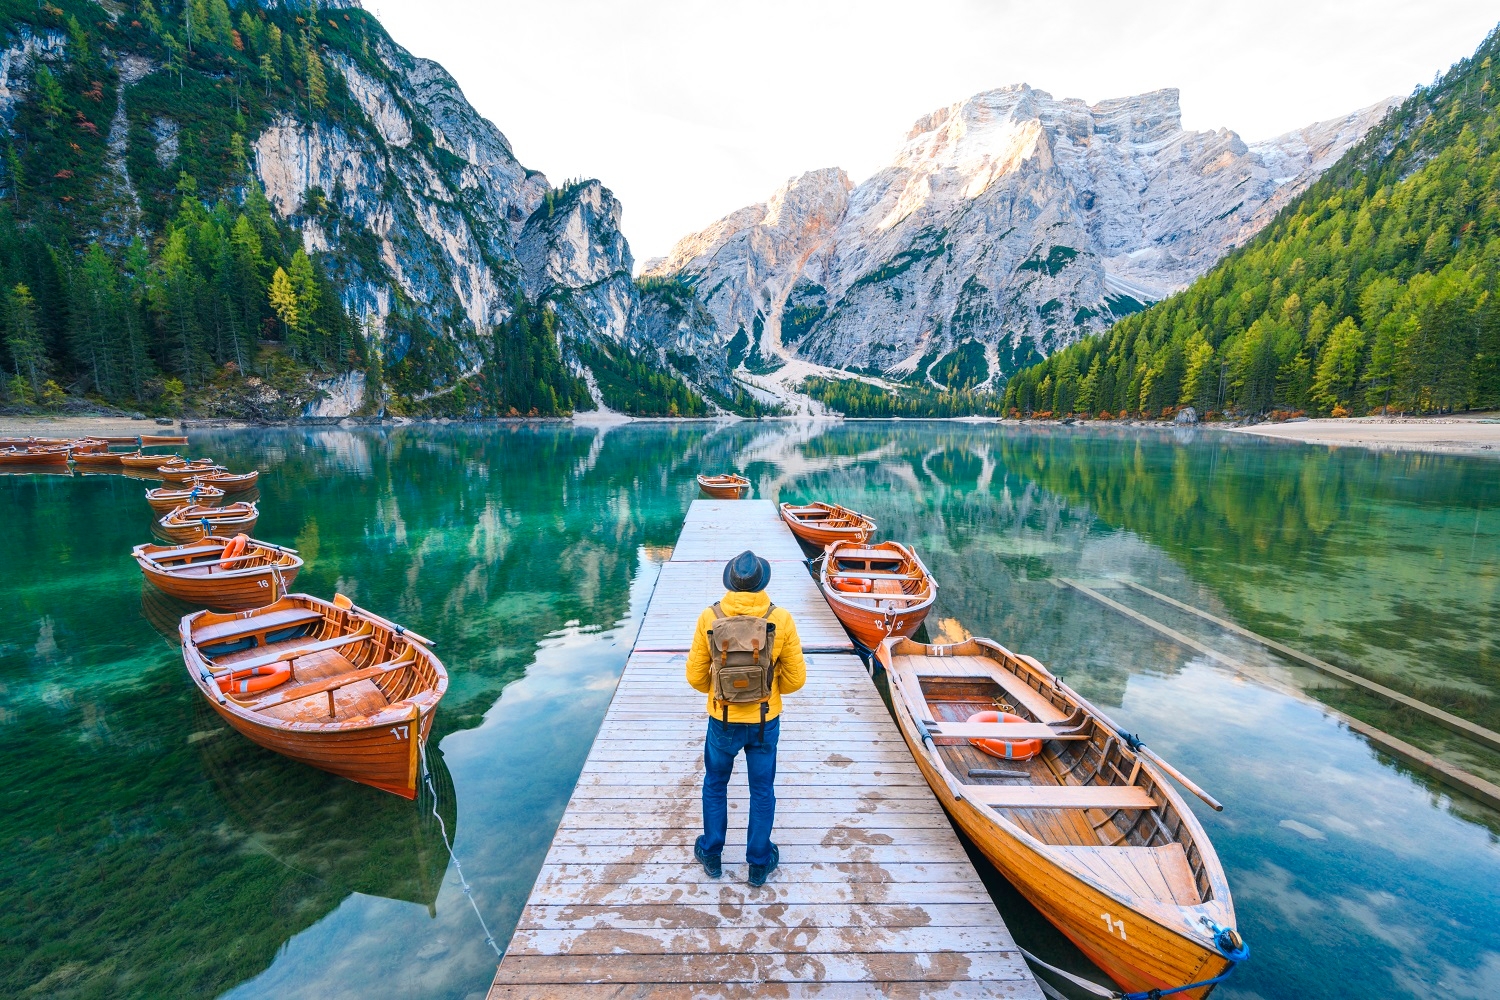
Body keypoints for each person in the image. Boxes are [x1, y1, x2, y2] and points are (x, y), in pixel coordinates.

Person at [685, 549, 806, 887]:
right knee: (762, 790)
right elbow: (796, 681)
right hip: (765, 721)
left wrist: (723, 688)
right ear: (761, 582)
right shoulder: (780, 619)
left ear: (731, 582)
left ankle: (711, 853)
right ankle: (758, 863)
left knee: (715, 784)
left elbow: (696, 679)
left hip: (722, 719)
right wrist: (768, 682)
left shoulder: (709, 618)